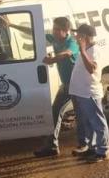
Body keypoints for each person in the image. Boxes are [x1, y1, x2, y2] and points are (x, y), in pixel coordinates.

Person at [33, 17, 84, 158]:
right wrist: (12, 25)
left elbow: (67, 53)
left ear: (65, 30)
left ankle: (84, 144)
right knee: (55, 112)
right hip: (66, 85)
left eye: (57, 29)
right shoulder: (55, 38)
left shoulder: (71, 42)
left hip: (76, 85)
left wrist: (52, 59)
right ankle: (52, 146)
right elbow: (34, 31)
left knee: (80, 114)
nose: (53, 32)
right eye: (53, 29)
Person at [69, 24, 109, 163]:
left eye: (78, 35)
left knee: (98, 123)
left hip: (89, 93)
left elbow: (91, 69)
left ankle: (103, 151)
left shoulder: (94, 50)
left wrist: (82, 50)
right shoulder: (86, 49)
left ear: (84, 37)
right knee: (88, 123)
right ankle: (92, 148)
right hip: (81, 92)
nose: (75, 37)